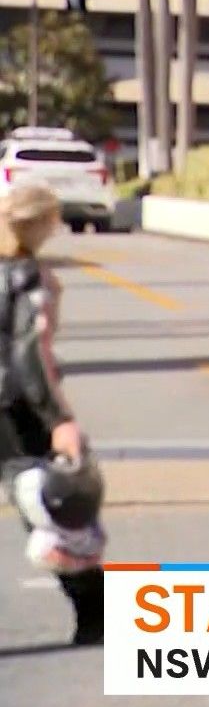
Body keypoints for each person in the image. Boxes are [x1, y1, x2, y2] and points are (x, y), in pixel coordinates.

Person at [0, 183, 105, 645]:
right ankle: (94, 613)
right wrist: (59, 418)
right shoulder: (28, 276)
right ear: (40, 223)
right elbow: (31, 355)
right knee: (56, 507)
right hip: (16, 410)